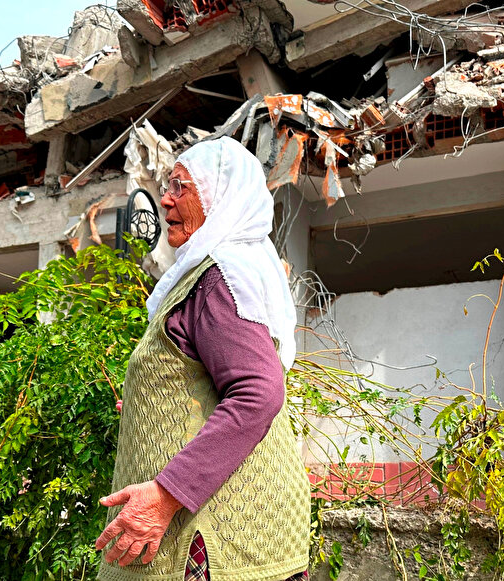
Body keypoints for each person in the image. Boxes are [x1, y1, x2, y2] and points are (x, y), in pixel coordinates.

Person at [95, 136, 311, 581]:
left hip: (214, 533)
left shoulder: (218, 278)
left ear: (220, 197)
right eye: (167, 187)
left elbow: (257, 393)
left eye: (181, 187)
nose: (165, 199)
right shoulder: (203, 276)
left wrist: (166, 495)